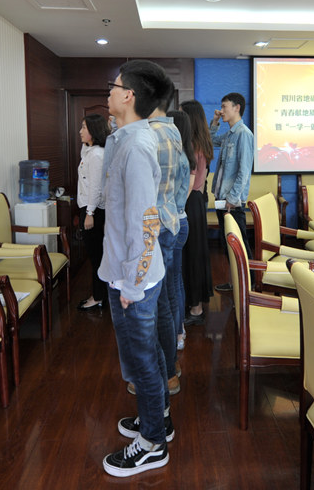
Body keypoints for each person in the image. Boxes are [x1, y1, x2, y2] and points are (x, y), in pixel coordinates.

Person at [99, 59, 172, 477]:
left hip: (134, 278)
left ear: (128, 96)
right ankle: (156, 418)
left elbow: (145, 222)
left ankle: (152, 444)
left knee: (142, 361)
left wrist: (131, 284)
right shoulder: (124, 139)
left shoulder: (137, 147)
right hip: (126, 270)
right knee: (147, 356)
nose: (108, 93)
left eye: (113, 87)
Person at [125, 92, 190, 397]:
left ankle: (159, 376)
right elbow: (176, 184)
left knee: (149, 307)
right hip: (167, 222)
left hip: (151, 227)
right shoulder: (173, 131)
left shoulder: (148, 135)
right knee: (163, 301)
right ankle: (170, 369)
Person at [210, 92, 254, 286]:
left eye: (224, 106)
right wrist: (215, 121)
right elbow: (210, 140)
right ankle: (235, 284)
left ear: (237, 108)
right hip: (222, 199)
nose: (221, 110)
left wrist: (232, 198)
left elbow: (244, 172)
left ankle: (249, 285)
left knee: (239, 244)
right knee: (227, 244)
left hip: (232, 202)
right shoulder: (229, 134)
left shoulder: (244, 134)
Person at [179, 100, 214, 325]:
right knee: (196, 254)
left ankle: (195, 308)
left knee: (191, 256)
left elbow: (189, 183)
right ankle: (196, 304)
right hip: (197, 202)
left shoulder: (191, 145)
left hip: (189, 201)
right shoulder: (203, 142)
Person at [76, 114, 110, 310]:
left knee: (96, 256)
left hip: (93, 211)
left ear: (94, 131)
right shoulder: (91, 151)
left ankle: (98, 297)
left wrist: (89, 213)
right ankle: (99, 294)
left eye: (84, 127)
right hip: (90, 209)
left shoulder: (97, 155)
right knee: (96, 255)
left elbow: (96, 187)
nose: (80, 131)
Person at [166, 109, 193, 349]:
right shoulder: (184, 155)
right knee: (176, 280)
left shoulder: (177, 159)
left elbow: (169, 197)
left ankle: (177, 333)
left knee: (172, 283)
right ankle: (179, 329)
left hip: (173, 223)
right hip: (180, 220)